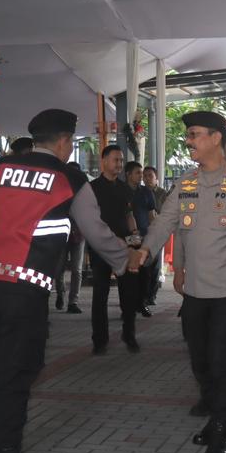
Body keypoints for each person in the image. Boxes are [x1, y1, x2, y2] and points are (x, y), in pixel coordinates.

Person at [0, 109, 133, 453]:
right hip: (23, 290)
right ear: (65, 142)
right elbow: (96, 230)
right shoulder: (68, 178)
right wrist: (126, 260)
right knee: (17, 371)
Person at [132, 110, 226, 453]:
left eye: (194, 134)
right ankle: (216, 413)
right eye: (189, 136)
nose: (188, 141)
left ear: (216, 138)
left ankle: (221, 431)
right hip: (196, 291)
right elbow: (168, 222)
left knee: (223, 360)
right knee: (199, 359)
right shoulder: (187, 181)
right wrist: (146, 250)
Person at [88, 145, 142, 354]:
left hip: (124, 248)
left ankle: (129, 335)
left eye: (121, 160)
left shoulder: (124, 189)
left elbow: (129, 215)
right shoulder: (91, 189)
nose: (119, 164)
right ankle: (99, 341)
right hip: (101, 247)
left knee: (129, 294)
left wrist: (135, 239)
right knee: (100, 294)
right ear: (104, 161)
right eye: (115, 160)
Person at [126, 161, 157, 317]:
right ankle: (128, 306)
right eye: (138, 173)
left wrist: (154, 234)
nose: (141, 176)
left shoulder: (146, 192)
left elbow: (151, 215)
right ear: (128, 175)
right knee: (130, 272)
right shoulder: (122, 191)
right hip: (128, 237)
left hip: (144, 237)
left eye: (142, 173)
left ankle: (142, 303)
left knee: (145, 272)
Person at [57, 161, 87, 314]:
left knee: (77, 269)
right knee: (59, 268)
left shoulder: (83, 193)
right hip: (61, 234)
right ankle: (60, 293)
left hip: (79, 234)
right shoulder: (59, 191)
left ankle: (73, 302)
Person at [142, 165, 168, 306]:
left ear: (156, 178)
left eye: (150, 176)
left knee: (155, 266)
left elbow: (166, 213)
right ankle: (144, 295)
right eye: (144, 176)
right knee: (144, 266)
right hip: (143, 233)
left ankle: (151, 295)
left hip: (157, 233)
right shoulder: (140, 192)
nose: (147, 179)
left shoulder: (163, 194)